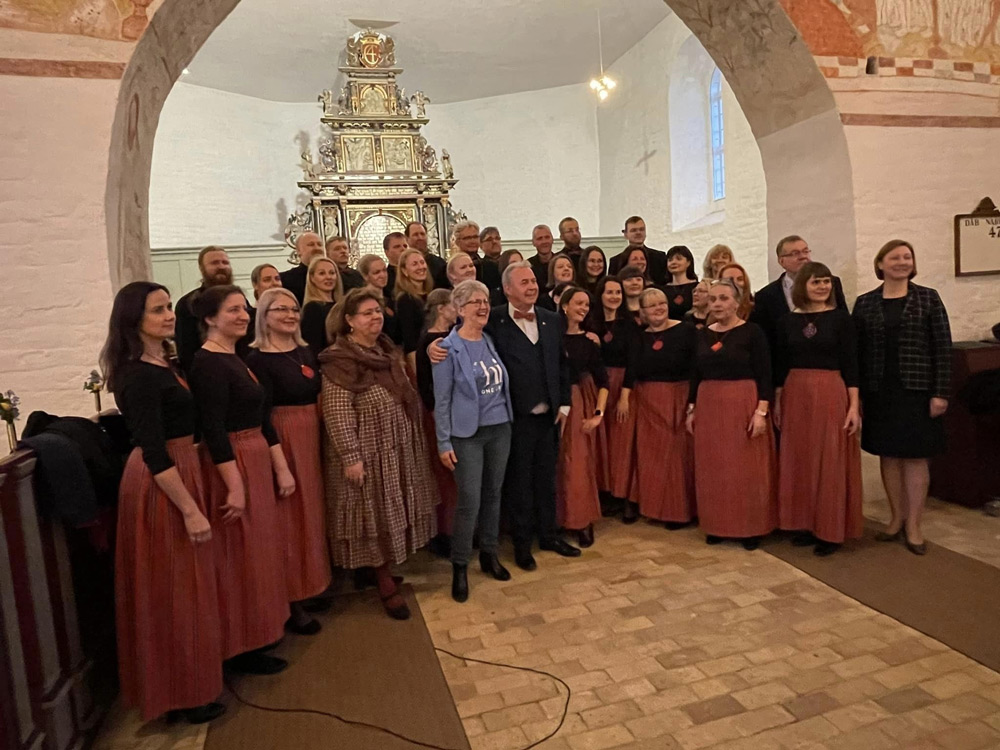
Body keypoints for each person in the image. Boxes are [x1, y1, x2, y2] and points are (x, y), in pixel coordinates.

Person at [101, 281, 224, 724]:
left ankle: (196, 680)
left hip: (181, 468)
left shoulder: (165, 362)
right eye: (158, 310)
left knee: (189, 584)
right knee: (172, 589)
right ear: (134, 320)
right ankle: (179, 690)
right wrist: (190, 508)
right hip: (162, 482)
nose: (169, 315)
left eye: (170, 307)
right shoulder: (136, 373)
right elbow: (152, 450)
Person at [428, 262, 580, 569]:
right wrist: (434, 346)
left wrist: (564, 404)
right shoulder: (494, 318)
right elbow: (462, 330)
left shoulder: (552, 319)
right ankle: (522, 545)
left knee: (547, 478)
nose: (532, 286)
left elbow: (561, 365)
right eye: (523, 282)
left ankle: (548, 535)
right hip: (514, 419)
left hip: (550, 417)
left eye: (534, 281)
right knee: (518, 484)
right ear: (507, 289)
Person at [188, 285, 290, 674]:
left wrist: (278, 464)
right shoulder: (207, 363)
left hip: (253, 453)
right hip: (234, 460)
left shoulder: (235, 356)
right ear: (210, 319)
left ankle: (259, 633)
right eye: (232, 310)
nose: (243, 315)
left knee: (258, 550)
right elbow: (213, 429)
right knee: (239, 556)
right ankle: (240, 643)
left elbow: (260, 417)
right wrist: (233, 484)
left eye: (244, 309)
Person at [319, 288, 438, 620]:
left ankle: (375, 570)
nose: (375, 317)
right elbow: (337, 411)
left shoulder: (386, 350)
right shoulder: (339, 358)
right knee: (373, 516)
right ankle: (384, 582)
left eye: (378, 311)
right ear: (349, 321)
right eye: (367, 313)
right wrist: (351, 456)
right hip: (367, 451)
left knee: (390, 511)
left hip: (395, 447)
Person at [852, 240, 952, 555]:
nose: (902, 261)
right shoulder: (865, 303)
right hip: (880, 391)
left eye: (907, 256)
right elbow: (858, 351)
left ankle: (915, 525)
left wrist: (941, 392)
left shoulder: (928, 298)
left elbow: (942, 347)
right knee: (889, 454)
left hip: (918, 391)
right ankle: (896, 519)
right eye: (894, 257)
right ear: (880, 264)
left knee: (916, 455)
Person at [247, 288, 332, 634]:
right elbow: (262, 416)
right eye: (280, 308)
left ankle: (314, 584)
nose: (289, 313)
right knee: (292, 519)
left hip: (313, 432)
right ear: (264, 315)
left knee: (314, 514)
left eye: (294, 308)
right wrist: (280, 462)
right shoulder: (256, 359)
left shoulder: (304, 350)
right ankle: (292, 599)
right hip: (285, 438)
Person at [433, 280, 514, 602]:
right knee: (470, 501)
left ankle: (490, 554)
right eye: (475, 302)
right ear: (460, 309)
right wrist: (443, 442)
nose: (483, 307)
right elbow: (442, 400)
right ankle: (460, 565)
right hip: (466, 435)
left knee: (494, 494)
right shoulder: (446, 349)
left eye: (485, 300)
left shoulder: (491, 340)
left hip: (500, 428)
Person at [774, 263, 862, 556]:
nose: (823, 286)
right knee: (799, 458)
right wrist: (777, 399)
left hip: (829, 391)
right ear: (803, 286)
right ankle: (803, 523)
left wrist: (853, 406)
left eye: (826, 281)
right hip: (795, 391)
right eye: (816, 282)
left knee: (829, 458)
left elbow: (852, 364)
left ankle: (830, 529)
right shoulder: (787, 321)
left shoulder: (841, 319)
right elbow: (780, 365)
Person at [687, 279, 777, 550]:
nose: (717, 304)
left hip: (742, 403)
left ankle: (749, 527)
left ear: (737, 302)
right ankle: (717, 525)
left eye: (724, 298)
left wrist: (761, 412)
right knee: (713, 467)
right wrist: (691, 409)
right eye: (713, 299)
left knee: (744, 469)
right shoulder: (702, 334)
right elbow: (695, 374)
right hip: (709, 406)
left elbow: (765, 374)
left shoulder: (753, 332)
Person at [633, 288, 697, 528]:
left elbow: (695, 368)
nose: (658, 308)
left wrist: (692, 402)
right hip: (648, 401)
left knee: (678, 456)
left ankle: (680, 512)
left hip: (679, 396)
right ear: (642, 312)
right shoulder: (640, 337)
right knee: (653, 458)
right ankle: (656, 509)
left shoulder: (686, 330)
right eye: (651, 306)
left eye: (661, 303)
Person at [557, 287, 609, 547]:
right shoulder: (550, 337)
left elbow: (603, 381)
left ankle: (581, 520)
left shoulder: (590, 342)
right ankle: (556, 520)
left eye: (587, 304)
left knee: (576, 464)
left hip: (578, 403)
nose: (583, 308)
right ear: (563, 305)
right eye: (578, 302)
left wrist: (598, 414)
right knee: (553, 465)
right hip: (552, 403)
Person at [751, 235, 847, 372]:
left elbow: (842, 321)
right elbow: (766, 340)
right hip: (789, 369)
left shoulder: (832, 283)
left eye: (806, 251)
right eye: (795, 253)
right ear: (781, 261)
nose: (803, 257)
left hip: (828, 366)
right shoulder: (766, 296)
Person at [590, 277, 639, 519]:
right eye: (609, 292)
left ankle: (626, 497)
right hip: (598, 387)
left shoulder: (629, 325)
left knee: (623, 443)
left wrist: (625, 396)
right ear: (600, 295)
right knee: (602, 443)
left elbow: (634, 362)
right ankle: (605, 494)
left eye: (618, 292)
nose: (614, 296)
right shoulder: (591, 323)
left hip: (622, 387)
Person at [416, 288, 459, 559]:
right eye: (454, 305)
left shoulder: (456, 336)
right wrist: (436, 413)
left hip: (458, 412)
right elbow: (425, 384)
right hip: (440, 415)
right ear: (442, 308)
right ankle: (445, 531)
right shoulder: (429, 340)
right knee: (444, 474)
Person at [174, 246, 250, 372]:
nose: (221, 266)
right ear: (202, 268)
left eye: (225, 262)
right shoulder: (187, 303)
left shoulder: (241, 299)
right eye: (214, 263)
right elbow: (186, 351)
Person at [395, 248, 435, 375]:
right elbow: (410, 340)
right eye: (414, 264)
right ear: (404, 271)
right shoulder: (405, 299)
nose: (421, 267)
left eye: (422, 262)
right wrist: (418, 374)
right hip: (421, 361)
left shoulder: (433, 295)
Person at [300, 256, 344, 358]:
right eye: (322, 273)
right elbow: (313, 348)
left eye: (332, 273)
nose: (328, 277)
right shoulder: (312, 309)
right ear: (312, 278)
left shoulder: (342, 305)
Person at [608, 216, 667, 285]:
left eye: (641, 229)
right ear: (625, 234)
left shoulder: (660, 258)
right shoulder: (615, 261)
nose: (638, 233)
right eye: (633, 230)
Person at [359, 253, 400, 344]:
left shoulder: (390, 298)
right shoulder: (362, 301)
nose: (382, 275)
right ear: (365, 276)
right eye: (376, 272)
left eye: (384, 270)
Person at [453, 219, 501, 290]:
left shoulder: (491, 267)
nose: (473, 241)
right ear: (457, 242)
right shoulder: (450, 268)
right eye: (468, 238)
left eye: (475, 237)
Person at [280, 232, 326, 304]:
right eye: (311, 245)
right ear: (298, 251)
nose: (317, 248)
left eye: (319, 244)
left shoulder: (337, 277)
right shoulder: (285, 280)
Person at [406, 221, 448, 289]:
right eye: (415, 235)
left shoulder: (439, 263)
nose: (420, 238)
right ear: (407, 239)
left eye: (422, 234)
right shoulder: (403, 263)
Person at [663, 245, 699, 319]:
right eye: (670, 260)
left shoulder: (697, 287)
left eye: (678, 259)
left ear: (688, 262)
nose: (673, 262)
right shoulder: (662, 290)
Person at [528, 224, 555, 289]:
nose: (544, 241)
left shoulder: (562, 262)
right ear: (533, 242)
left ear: (552, 239)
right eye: (539, 238)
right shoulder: (528, 266)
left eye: (547, 237)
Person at [383, 231, 407, 296]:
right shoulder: (385, 278)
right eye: (397, 247)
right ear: (387, 252)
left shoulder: (415, 272)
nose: (403, 249)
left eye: (405, 246)